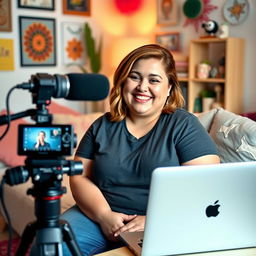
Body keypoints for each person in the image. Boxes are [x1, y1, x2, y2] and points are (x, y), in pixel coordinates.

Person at [61, 44, 220, 255]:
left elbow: (206, 185)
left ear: (170, 87)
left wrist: (155, 218)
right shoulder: (102, 125)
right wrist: (104, 215)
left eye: (154, 80)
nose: (142, 87)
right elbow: (79, 176)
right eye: (135, 77)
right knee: (54, 243)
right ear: (122, 81)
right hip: (98, 218)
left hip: (164, 221)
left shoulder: (183, 125)